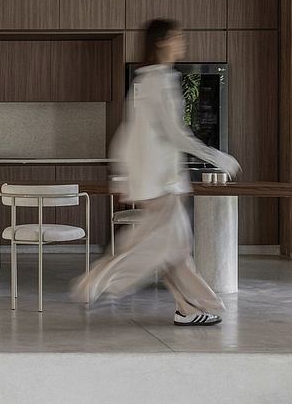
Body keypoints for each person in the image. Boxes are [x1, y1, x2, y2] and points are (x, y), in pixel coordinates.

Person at [72, 18, 241, 326]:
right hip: (161, 182)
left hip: (155, 181)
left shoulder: (146, 80)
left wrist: (123, 175)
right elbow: (175, 134)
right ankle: (100, 281)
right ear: (162, 42)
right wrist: (217, 157)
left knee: (172, 249)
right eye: (178, 38)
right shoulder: (160, 80)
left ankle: (190, 308)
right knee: (164, 247)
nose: (182, 43)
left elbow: (132, 134)